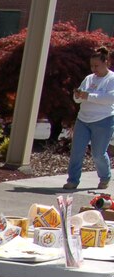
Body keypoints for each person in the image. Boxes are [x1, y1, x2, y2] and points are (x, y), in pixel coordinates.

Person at [64, 45, 114, 191]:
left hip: (104, 120)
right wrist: (78, 95)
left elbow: (110, 98)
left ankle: (105, 177)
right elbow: (78, 99)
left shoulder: (111, 79)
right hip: (83, 119)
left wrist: (89, 96)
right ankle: (73, 180)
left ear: (107, 63)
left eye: (97, 66)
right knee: (76, 151)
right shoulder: (88, 78)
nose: (94, 69)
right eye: (92, 66)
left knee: (98, 153)